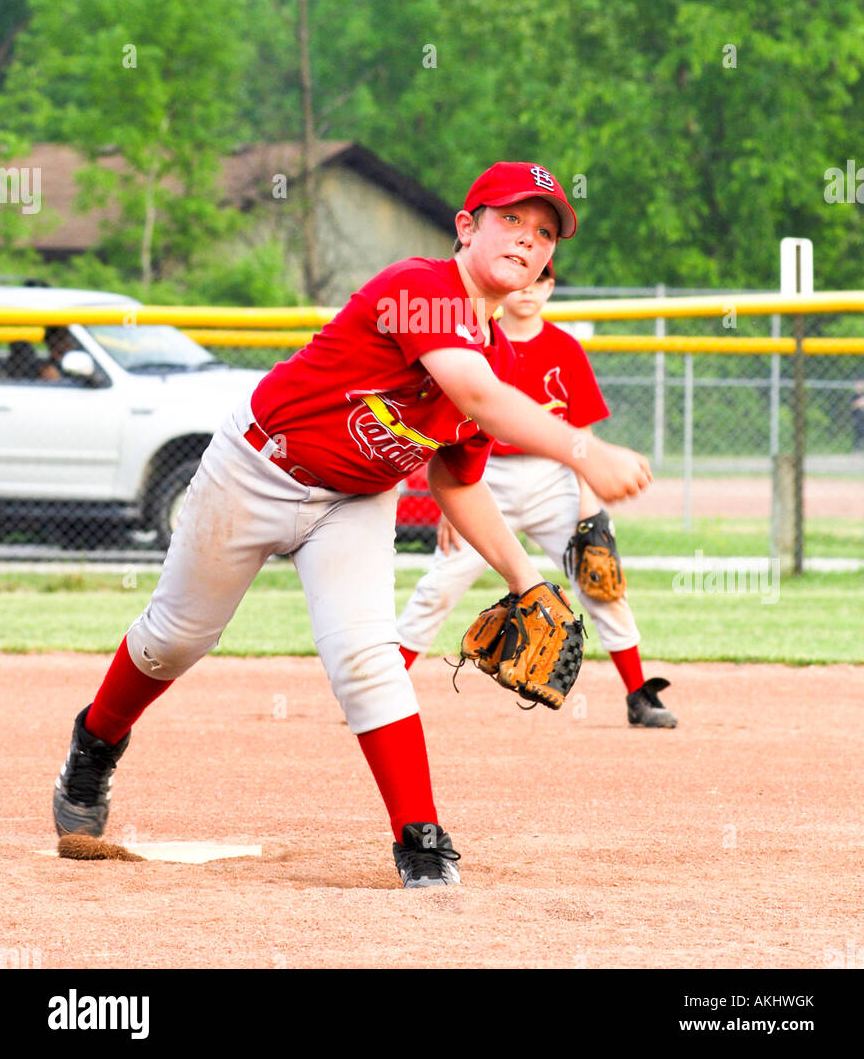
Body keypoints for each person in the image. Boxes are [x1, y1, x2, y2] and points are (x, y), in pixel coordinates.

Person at [52, 162, 651, 888]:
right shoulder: (421, 288)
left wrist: (525, 580)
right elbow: (472, 393)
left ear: (549, 260)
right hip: (256, 469)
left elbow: (457, 481)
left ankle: (421, 842)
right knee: (174, 640)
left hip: (354, 501)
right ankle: (97, 742)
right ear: (466, 227)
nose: (527, 239)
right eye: (510, 219)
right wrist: (586, 449)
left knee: (367, 661)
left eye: (545, 233)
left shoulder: (499, 360)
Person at [397, 261, 677, 728]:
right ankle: (384, 689)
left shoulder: (565, 348)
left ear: (550, 288)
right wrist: (451, 504)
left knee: (599, 583)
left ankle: (638, 694)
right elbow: (449, 427)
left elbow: (581, 432)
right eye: (523, 279)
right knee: (440, 583)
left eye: (542, 280)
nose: (529, 289)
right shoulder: (476, 344)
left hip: (555, 479)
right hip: (484, 479)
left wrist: (589, 505)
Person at [852, 380, 864, 452]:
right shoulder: (854, 395)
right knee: (858, 433)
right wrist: (860, 402)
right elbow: (852, 405)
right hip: (858, 418)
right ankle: (857, 449)